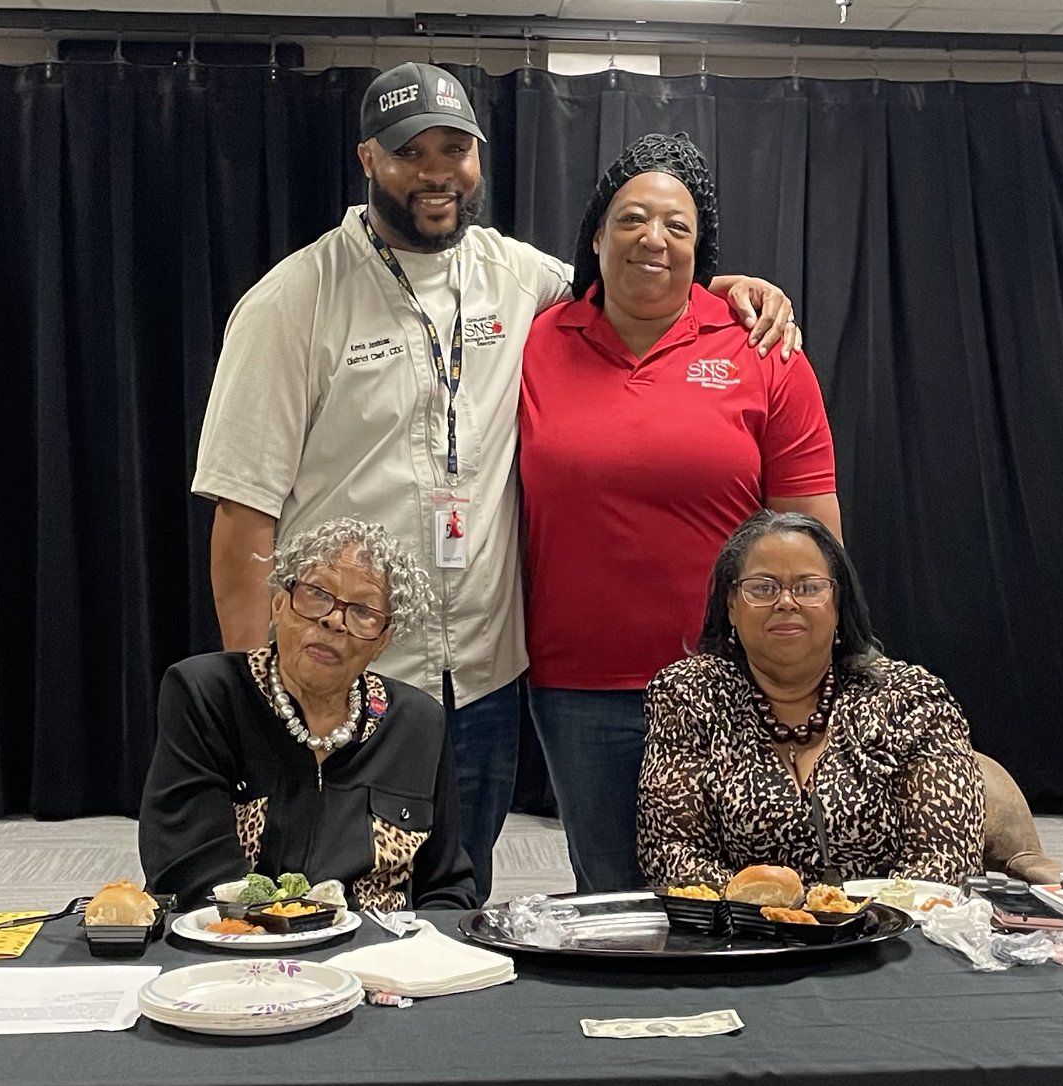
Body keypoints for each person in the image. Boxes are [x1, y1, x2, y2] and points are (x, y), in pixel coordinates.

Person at [192, 63, 801, 901]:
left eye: (456, 149)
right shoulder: (293, 302)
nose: (437, 172)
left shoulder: (527, 282)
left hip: (481, 679)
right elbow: (243, 517)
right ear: (369, 159)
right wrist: (266, 697)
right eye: (411, 153)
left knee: (454, 901)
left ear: (479, 158)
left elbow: (637, 285)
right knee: (328, 899)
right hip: (348, 675)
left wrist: (733, 291)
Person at [518, 133, 839, 892]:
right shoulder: (533, 344)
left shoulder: (760, 346)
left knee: (749, 893)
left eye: (677, 225)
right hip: (579, 687)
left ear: (703, 248)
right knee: (616, 899)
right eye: (630, 219)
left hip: (734, 680)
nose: (651, 239)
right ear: (596, 234)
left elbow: (815, 542)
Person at [139, 517, 476, 912]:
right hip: (237, 950)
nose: (334, 620)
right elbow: (191, 874)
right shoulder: (208, 694)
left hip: (380, 958)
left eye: (363, 612)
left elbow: (448, 888)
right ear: (279, 604)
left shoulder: (417, 722)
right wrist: (297, 930)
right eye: (317, 594)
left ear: (383, 641)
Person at [637, 510, 984, 889]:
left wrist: (867, 921)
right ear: (731, 606)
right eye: (763, 588)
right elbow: (670, 850)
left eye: (807, 587)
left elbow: (947, 856)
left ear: (838, 604)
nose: (786, 602)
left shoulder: (912, 699)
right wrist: (771, 916)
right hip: (745, 936)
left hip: (889, 934)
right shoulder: (689, 694)